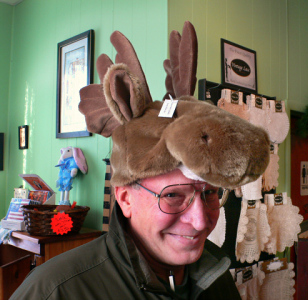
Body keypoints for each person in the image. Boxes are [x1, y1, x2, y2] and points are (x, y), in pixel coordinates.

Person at [11, 22, 270, 299]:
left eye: (209, 193)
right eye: (172, 196)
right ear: (124, 199)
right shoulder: (55, 291)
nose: (200, 221)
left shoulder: (217, 275)